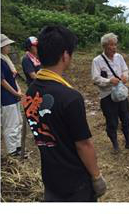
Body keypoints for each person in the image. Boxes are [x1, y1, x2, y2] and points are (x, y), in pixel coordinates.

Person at [23, 24, 107, 202]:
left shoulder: (30, 93)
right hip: (75, 183)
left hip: (51, 178)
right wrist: (96, 177)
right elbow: (83, 144)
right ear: (65, 55)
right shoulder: (70, 97)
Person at [91, 32, 129, 152]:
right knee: (112, 121)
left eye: (115, 44)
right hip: (107, 96)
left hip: (121, 94)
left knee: (126, 118)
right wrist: (109, 81)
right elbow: (95, 79)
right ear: (104, 46)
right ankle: (115, 145)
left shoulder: (119, 57)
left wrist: (125, 76)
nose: (114, 47)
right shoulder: (97, 61)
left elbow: (125, 69)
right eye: (111, 45)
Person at [0, 34, 23, 158]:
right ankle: (12, 152)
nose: (9, 47)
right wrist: (15, 92)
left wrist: (18, 90)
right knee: (10, 125)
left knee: (18, 122)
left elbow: (12, 79)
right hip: (6, 98)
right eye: (7, 45)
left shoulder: (6, 59)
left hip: (13, 96)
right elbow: (2, 81)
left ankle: (18, 148)